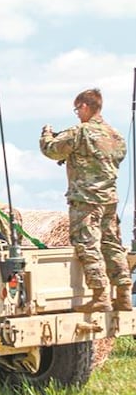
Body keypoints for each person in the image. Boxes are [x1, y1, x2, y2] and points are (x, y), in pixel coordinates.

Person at [40, 88, 130, 312]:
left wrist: (47, 134)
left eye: (77, 109)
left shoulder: (80, 132)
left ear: (84, 106)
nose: (77, 114)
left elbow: (51, 151)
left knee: (87, 244)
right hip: (109, 199)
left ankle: (100, 295)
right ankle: (124, 294)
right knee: (111, 244)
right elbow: (114, 158)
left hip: (86, 200)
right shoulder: (115, 135)